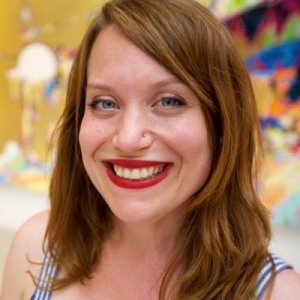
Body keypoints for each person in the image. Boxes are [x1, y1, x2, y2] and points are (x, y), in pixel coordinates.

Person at [1, 0, 300, 299]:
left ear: (222, 125)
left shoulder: (279, 294)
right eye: (105, 103)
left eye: (169, 101)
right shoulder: (38, 247)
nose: (128, 138)